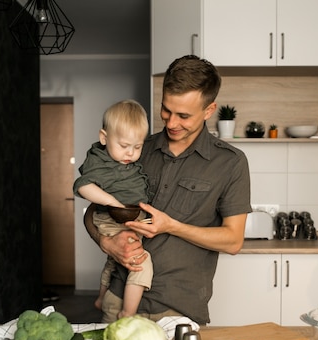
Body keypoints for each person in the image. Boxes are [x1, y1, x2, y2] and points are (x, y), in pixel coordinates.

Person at [83, 55, 252, 324]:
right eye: (166, 110)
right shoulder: (137, 149)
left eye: (183, 115)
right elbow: (93, 211)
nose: (171, 123)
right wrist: (106, 242)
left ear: (209, 110)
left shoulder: (230, 163)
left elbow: (233, 241)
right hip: (117, 300)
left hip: (177, 309)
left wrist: (172, 226)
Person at [74, 99, 152, 319]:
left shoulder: (126, 163)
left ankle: (100, 298)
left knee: (113, 260)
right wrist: (113, 203)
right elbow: (82, 186)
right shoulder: (99, 162)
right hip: (110, 218)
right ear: (104, 138)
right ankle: (127, 313)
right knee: (141, 263)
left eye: (137, 147)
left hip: (131, 218)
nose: (130, 154)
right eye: (124, 146)